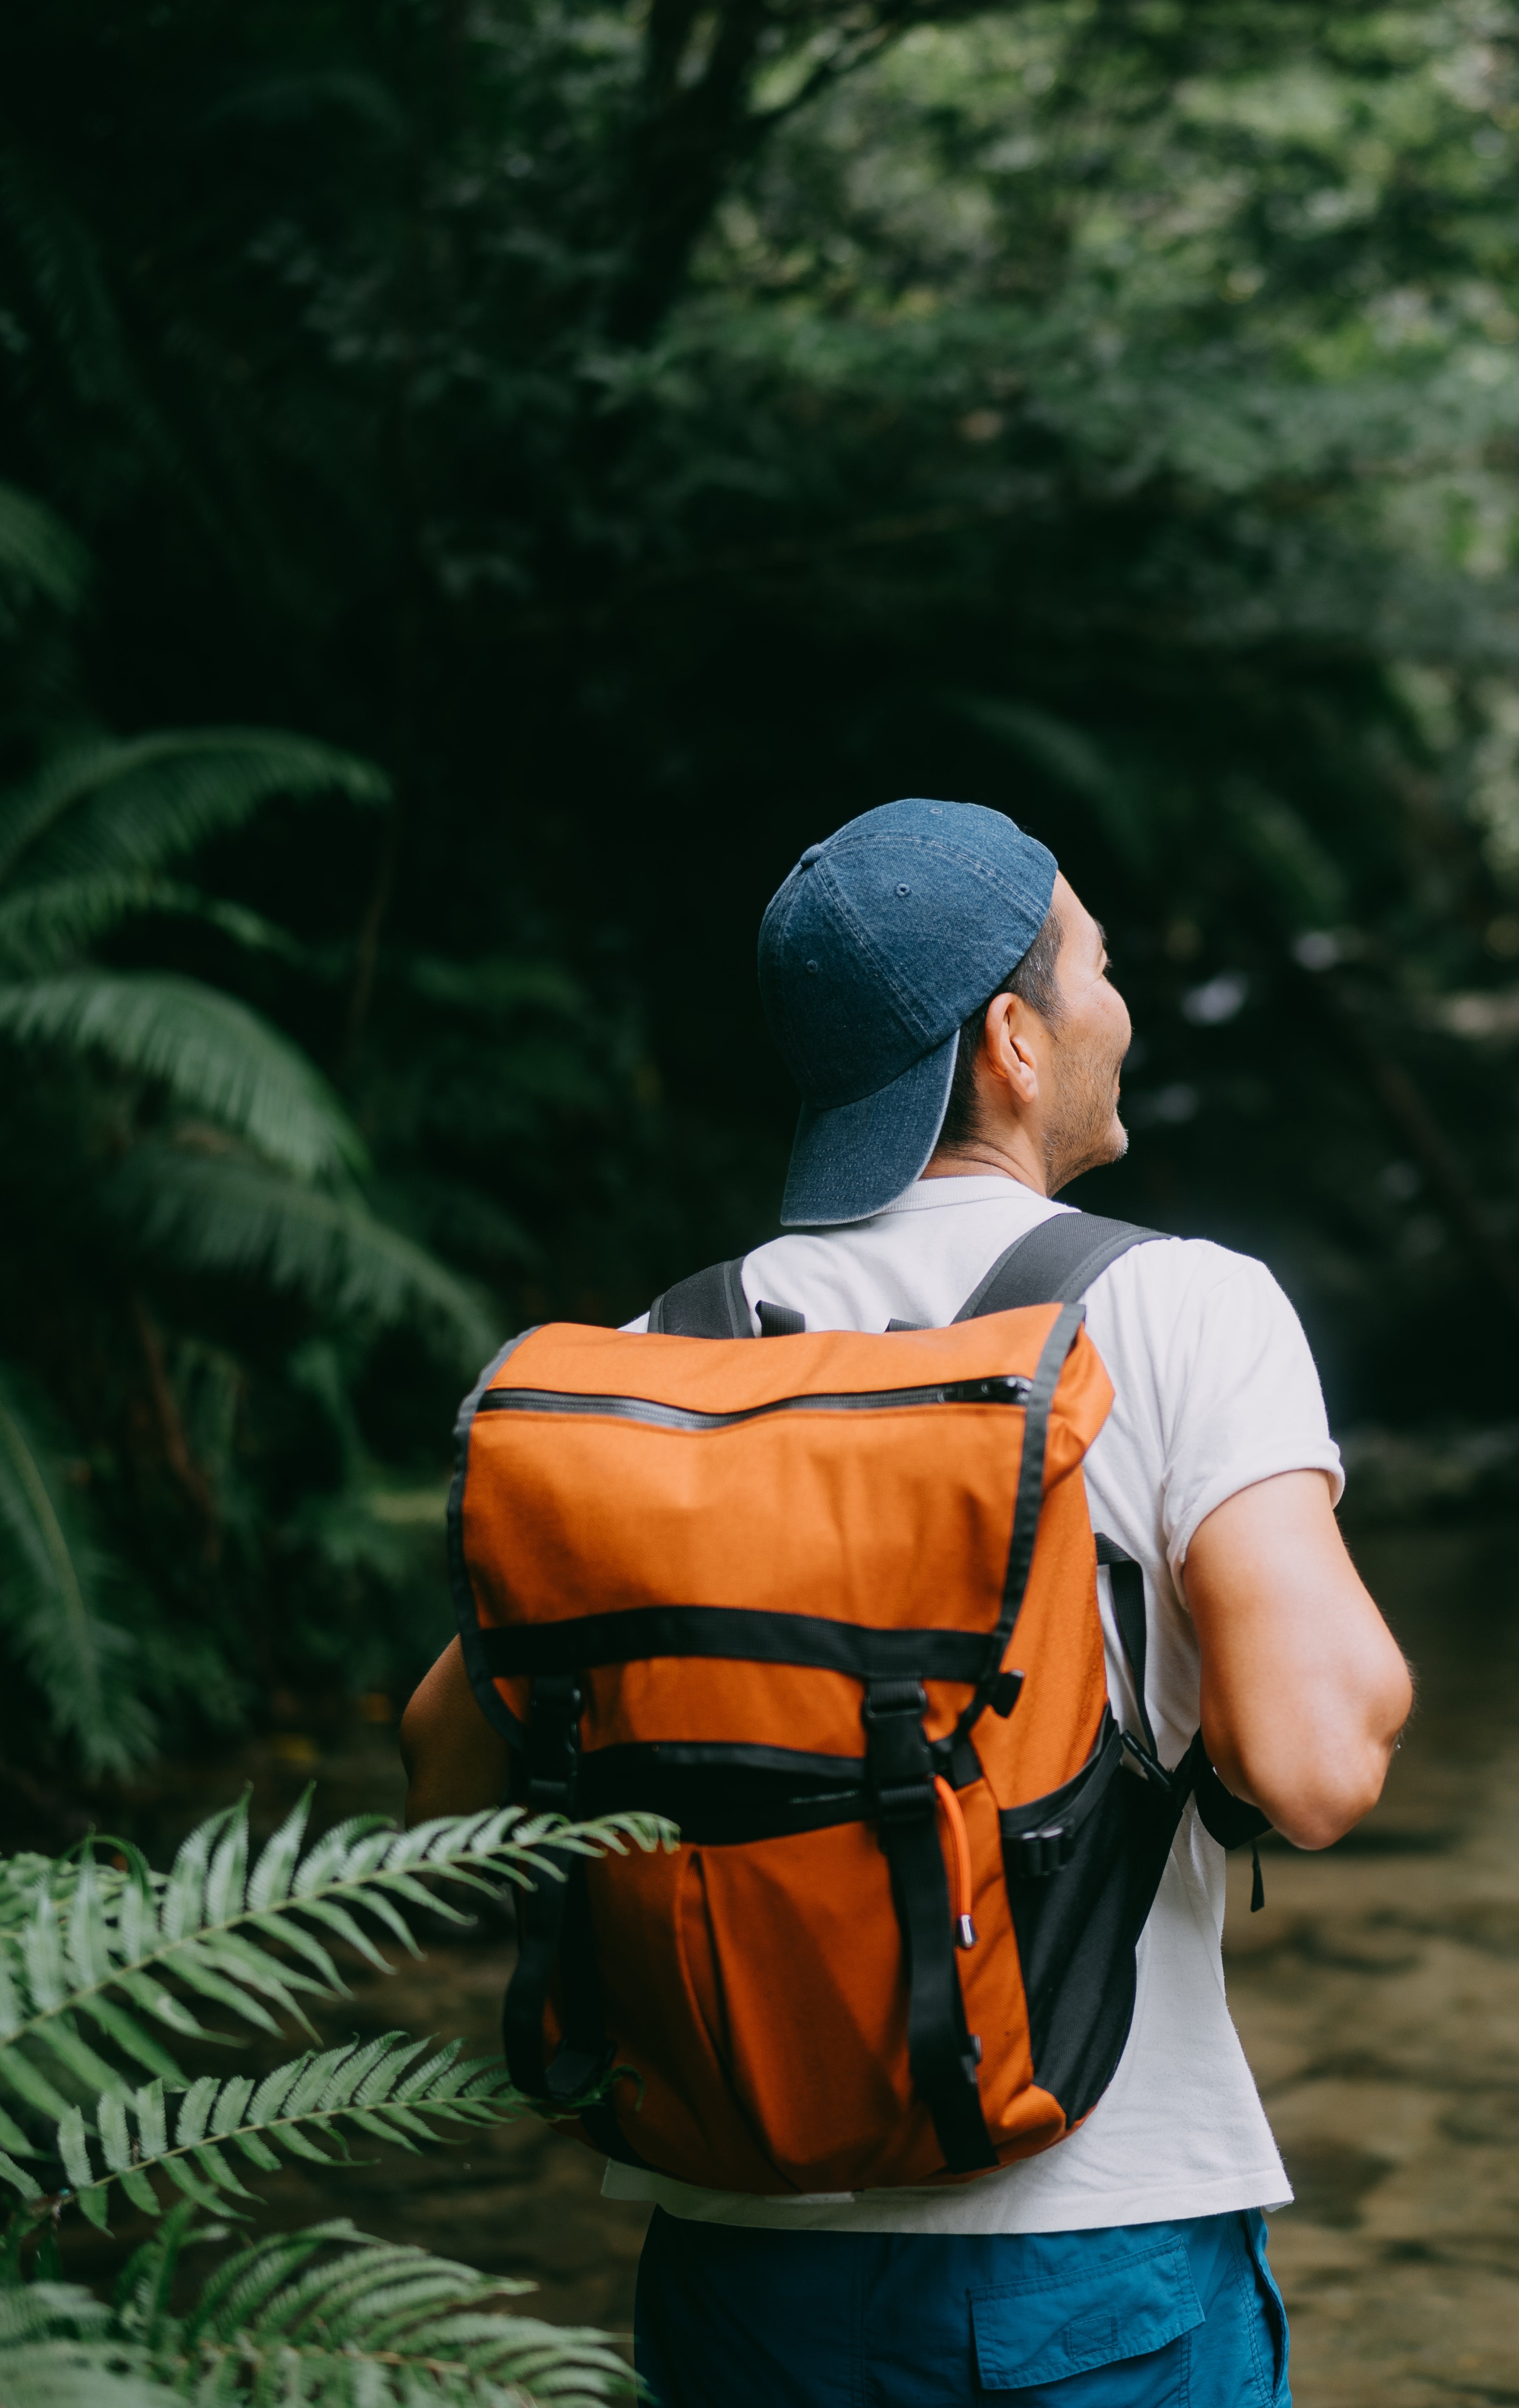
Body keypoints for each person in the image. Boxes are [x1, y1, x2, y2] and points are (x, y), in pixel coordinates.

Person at [397, 796, 1416, 2407]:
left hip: (738, 2255)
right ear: (1012, 1039)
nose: (1120, 1008)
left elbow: (444, 1773)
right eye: (1096, 967)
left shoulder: (665, 1362)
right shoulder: (1177, 1310)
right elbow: (1314, 1763)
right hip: (1088, 2243)